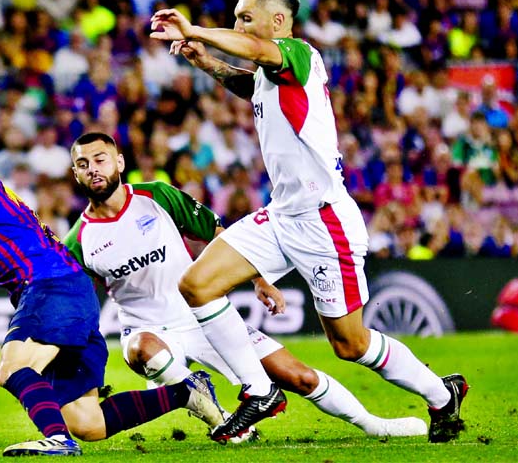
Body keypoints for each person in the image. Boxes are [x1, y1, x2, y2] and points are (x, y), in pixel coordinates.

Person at [150, 0, 468, 443]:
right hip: (282, 215)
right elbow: (250, 83)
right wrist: (205, 60)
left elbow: (258, 54)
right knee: (196, 285)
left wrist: (195, 30)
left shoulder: (300, 54)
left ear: (278, 20)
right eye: (235, 19)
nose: (238, 27)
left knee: (351, 344)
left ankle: (442, 395)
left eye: (245, 18)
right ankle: (259, 391)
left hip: (324, 222)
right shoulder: (270, 73)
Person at [0, 105, 224, 457]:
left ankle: (56, 440)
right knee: (88, 421)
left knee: (14, 366)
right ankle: (186, 392)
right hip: (67, 289)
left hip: (51, 286)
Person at [64, 132, 428, 441]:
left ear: (120, 162)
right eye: (84, 164)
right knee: (144, 349)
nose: (93, 168)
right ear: (76, 174)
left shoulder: (157, 196)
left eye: (100, 159)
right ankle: (223, 419)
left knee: (297, 377)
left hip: (201, 320)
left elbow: (219, 235)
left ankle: (374, 425)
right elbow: (77, 302)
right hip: (145, 329)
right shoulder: (79, 240)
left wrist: (258, 278)